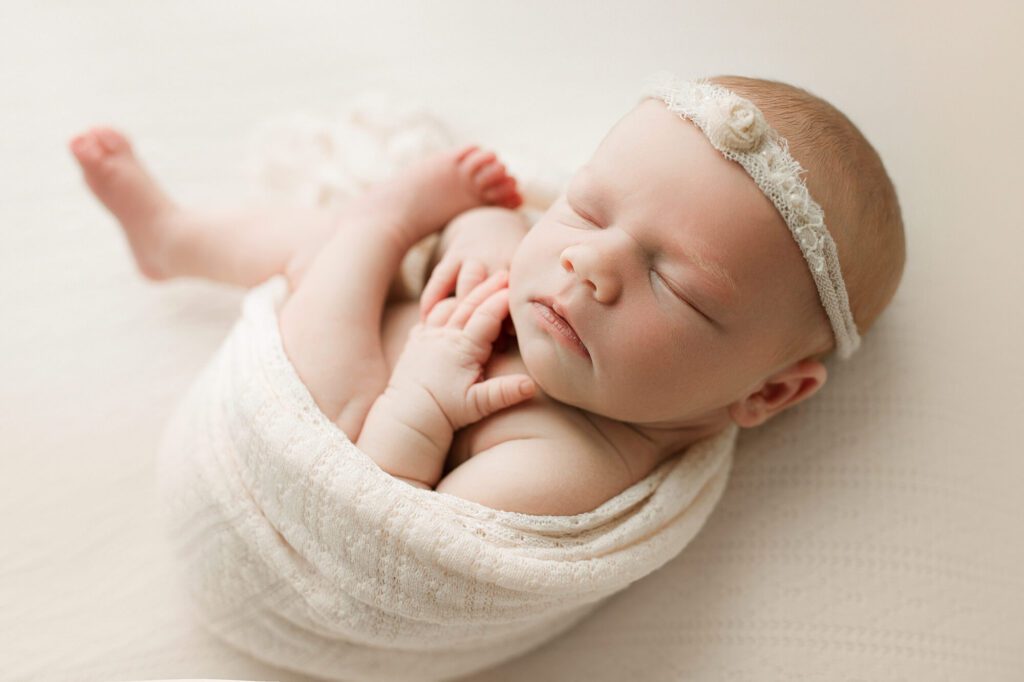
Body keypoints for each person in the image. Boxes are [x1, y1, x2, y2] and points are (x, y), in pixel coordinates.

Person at [69, 73, 905, 516]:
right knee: (330, 241)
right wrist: (477, 231)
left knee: (331, 280)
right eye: (587, 207)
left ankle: (378, 221)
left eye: (673, 285)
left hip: (337, 431)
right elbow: (519, 237)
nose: (589, 264)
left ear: (766, 391)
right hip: (383, 320)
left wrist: (424, 404)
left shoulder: (568, 464)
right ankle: (177, 241)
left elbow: (379, 509)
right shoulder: (559, 289)